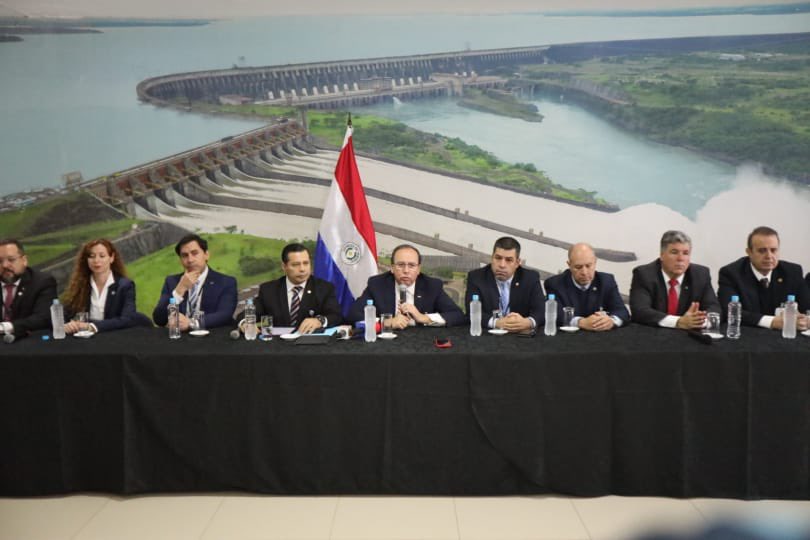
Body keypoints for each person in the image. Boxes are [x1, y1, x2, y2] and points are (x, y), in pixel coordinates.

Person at [348, 244, 464, 328]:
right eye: (400, 265)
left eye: (412, 265)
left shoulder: (432, 286)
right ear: (392, 268)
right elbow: (353, 315)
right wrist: (387, 322)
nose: (406, 270)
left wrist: (423, 318)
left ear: (418, 269)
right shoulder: (377, 284)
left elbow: (457, 315)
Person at [717, 226, 809, 331]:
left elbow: (806, 307)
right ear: (749, 252)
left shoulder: (792, 272)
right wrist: (773, 322)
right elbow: (729, 312)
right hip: (748, 336)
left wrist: (805, 320)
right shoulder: (731, 274)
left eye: (773, 250)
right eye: (762, 251)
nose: (769, 256)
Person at [239, 243, 342, 333]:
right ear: (284, 267)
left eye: (306, 263)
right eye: (296, 264)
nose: (302, 269)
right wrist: (246, 323)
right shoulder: (269, 290)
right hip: (276, 347)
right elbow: (247, 314)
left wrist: (319, 321)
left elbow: (335, 316)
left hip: (311, 347)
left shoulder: (324, 288)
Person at [629, 230, 720, 329]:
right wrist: (678, 322)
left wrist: (699, 321)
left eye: (685, 253)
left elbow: (714, 308)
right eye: (674, 252)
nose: (680, 258)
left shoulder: (701, 274)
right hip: (653, 335)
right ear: (662, 255)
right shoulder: (644, 274)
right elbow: (640, 311)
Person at [61, 239, 151, 334]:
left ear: (111, 258)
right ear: (86, 260)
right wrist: (67, 325)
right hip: (87, 339)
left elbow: (127, 319)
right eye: (92, 256)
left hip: (114, 337)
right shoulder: (80, 284)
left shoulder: (125, 286)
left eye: (102, 256)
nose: (96, 260)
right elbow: (66, 314)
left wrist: (91, 326)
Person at [152, 234, 237, 331]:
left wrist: (191, 323)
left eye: (194, 253)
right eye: (184, 255)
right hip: (180, 339)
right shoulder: (172, 282)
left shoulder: (226, 282)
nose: (190, 260)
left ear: (206, 255)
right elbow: (159, 319)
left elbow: (224, 315)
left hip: (212, 337)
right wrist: (179, 291)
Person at [464, 236, 544, 333]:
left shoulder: (530, 278)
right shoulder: (476, 277)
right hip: (489, 336)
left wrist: (527, 322)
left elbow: (541, 311)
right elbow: (471, 312)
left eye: (509, 260)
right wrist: (496, 323)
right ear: (492, 258)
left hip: (520, 338)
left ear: (517, 263)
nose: (502, 265)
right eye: (498, 258)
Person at [544, 242, 629, 331]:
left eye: (588, 266)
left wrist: (611, 321)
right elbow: (554, 315)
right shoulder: (554, 284)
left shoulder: (606, 281)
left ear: (595, 262)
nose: (584, 272)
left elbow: (622, 312)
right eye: (578, 267)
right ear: (569, 265)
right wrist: (580, 322)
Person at [0, 238, 57, 340]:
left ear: (24, 260)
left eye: (11, 260)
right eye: (0, 261)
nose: (5, 265)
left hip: (28, 342)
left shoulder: (42, 282)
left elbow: (44, 318)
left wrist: (6, 327)